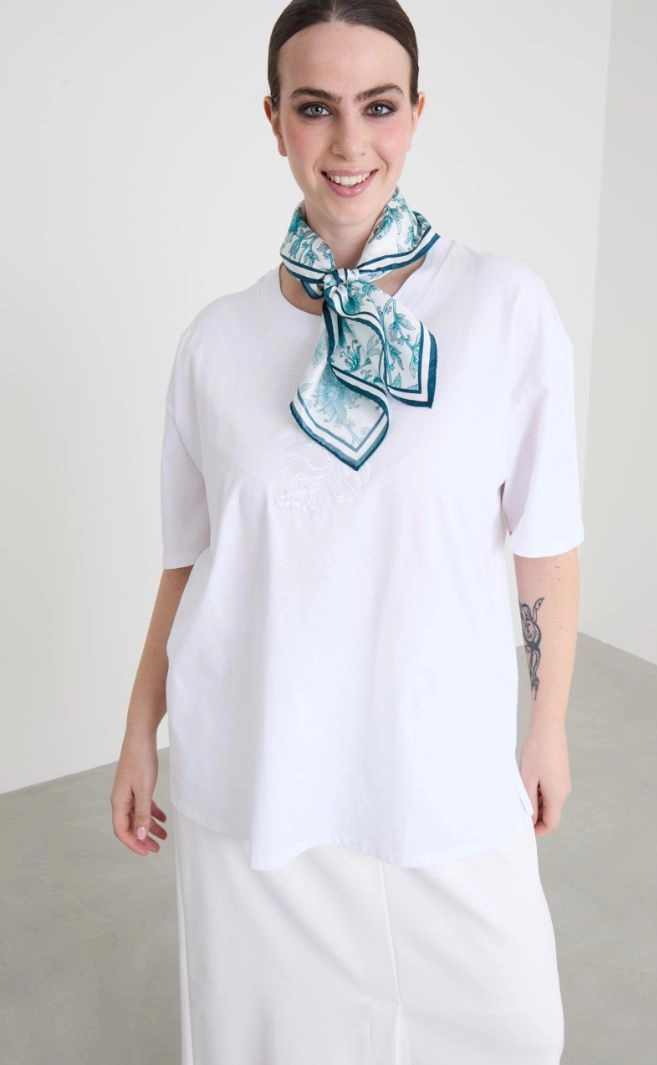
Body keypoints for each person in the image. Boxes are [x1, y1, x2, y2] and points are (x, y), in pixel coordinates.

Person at [111, 1, 584, 1062]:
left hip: (436, 764)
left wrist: (546, 723)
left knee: (511, 1028)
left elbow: (543, 540)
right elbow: (191, 564)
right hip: (255, 774)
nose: (348, 143)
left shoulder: (502, 307)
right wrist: (141, 727)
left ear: (415, 113)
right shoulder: (214, 343)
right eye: (315, 107)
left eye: (377, 106)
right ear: (274, 120)